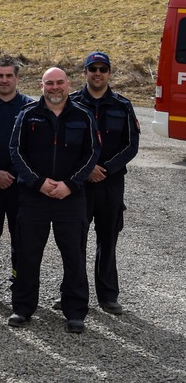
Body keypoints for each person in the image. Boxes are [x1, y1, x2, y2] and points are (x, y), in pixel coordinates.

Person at [8, 67, 99, 334]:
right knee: (28, 254)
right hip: (34, 196)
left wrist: (70, 185)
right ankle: (22, 308)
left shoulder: (83, 116)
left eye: (60, 82)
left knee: (73, 255)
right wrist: (39, 183)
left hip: (70, 198)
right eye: (50, 83)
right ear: (41, 85)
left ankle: (75, 312)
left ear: (68, 84)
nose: (55, 88)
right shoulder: (27, 115)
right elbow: (15, 151)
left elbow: (92, 154)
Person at [68, 51, 139, 315]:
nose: (97, 73)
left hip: (110, 184)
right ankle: (73, 294)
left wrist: (106, 169)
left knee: (108, 239)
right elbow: (66, 146)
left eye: (102, 69)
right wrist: (86, 170)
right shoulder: (71, 103)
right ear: (84, 72)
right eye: (92, 68)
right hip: (80, 184)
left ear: (109, 73)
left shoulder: (122, 105)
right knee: (75, 241)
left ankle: (108, 296)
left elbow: (131, 145)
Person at [0, 58, 34, 304]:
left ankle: (19, 285)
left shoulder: (29, 109)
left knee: (21, 238)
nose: (4, 80)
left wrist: (12, 173)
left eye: (8, 76)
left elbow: (32, 149)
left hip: (20, 185)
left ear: (17, 78)